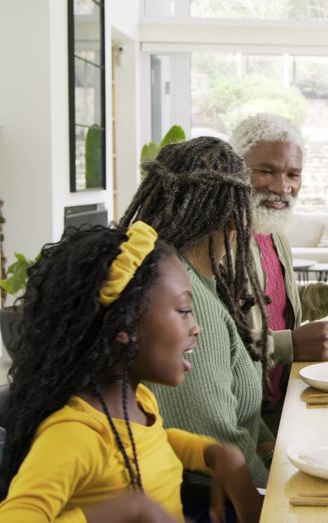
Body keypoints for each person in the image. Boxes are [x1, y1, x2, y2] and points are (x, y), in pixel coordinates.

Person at [0, 223, 261, 522]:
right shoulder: (74, 435)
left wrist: (211, 453)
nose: (196, 327)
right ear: (126, 324)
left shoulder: (139, 402)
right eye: (184, 310)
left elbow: (153, 442)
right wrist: (123, 510)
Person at [119, 137, 275, 490]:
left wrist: (269, 446)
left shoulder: (198, 282)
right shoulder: (182, 301)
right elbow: (214, 444)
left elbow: (239, 405)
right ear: (238, 214)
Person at [228, 114, 328, 414]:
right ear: (234, 169)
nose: (283, 187)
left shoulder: (273, 232)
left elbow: (275, 305)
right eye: (266, 171)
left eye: (293, 174)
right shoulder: (219, 244)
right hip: (246, 418)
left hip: (286, 399)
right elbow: (217, 344)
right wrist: (290, 345)